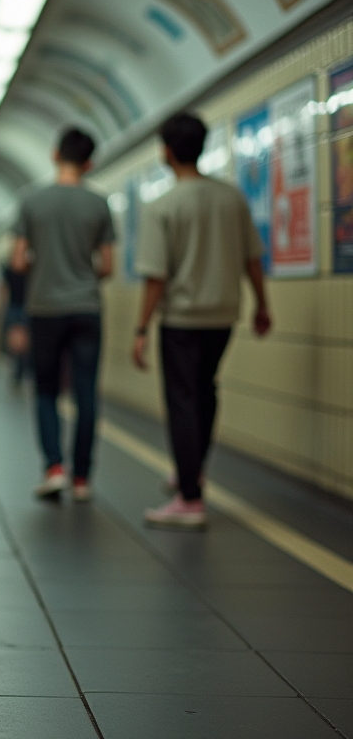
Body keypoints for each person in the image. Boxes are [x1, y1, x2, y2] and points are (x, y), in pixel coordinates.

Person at [134, 113, 271, 530]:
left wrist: (140, 328)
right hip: (223, 315)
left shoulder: (163, 206)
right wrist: (262, 305)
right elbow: (252, 258)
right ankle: (192, 472)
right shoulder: (231, 198)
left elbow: (156, 276)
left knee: (182, 399)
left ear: (168, 152)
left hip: (181, 318)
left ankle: (189, 498)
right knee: (206, 391)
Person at [12, 127, 115, 503]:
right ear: (89, 163)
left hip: (45, 308)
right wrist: (81, 272)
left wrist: (45, 267)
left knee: (46, 389)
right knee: (86, 391)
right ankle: (83, 478)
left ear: (55, 155)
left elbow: (18, 260)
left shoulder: (32, 201)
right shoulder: (99, 204)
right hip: (87, 307)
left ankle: (54, 468)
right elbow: (108, 266)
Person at [1, 261, 29, 389]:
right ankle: (19, 371)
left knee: (15, 342)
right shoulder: (30, 268)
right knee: (23, 343)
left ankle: (16, 370)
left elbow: (4, 290)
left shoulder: (8, 268)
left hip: (15, 307)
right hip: (25, 307)